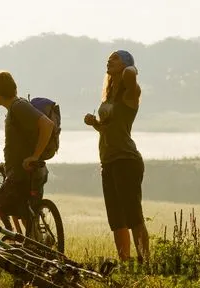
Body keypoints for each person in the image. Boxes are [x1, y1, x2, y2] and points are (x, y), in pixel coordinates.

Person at [84, 50, 149, 264]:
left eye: (115, 58)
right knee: (116, 219)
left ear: (126, 65)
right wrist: (95, 124)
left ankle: (145, 262)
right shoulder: (110, 95)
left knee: (133, 215)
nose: (109, 60)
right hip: (108, 161)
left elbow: (130, 74)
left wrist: (130, 66)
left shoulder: (131, 91)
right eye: (109, 58)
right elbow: (108, 129)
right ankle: (125, 262)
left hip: (126, 159)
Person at [0, 71, 54, 229]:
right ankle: (35, 249)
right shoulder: (15, 107)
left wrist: (35, 156)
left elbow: (47, 125)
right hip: (22, 173)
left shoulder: (18, 106)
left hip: (22, 175)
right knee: (25, 218)